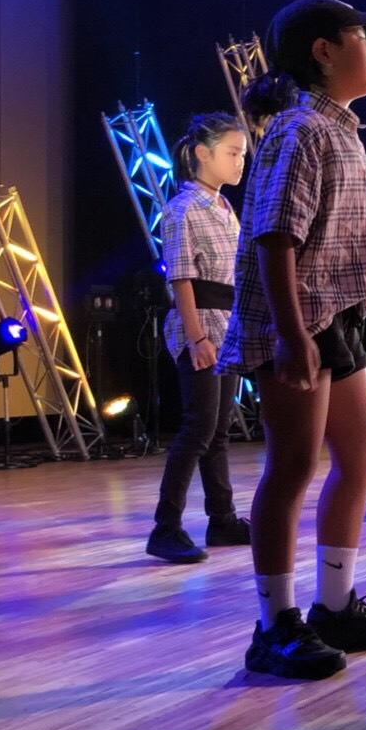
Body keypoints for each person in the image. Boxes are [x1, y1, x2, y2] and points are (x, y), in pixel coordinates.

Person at [220, 0, 366, 679]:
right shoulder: (300, 129)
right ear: (324, 52)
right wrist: (291, 332)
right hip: (298, 319)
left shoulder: (338, 129)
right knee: (293, 465)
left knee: (361, 453)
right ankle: (273, 626)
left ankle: (334, 607)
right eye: (364, 38)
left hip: (335, 317)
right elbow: (276, 237)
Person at [145, 113, 253, 564]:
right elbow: (181, 277)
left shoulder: (224, 207)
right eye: (232, 152)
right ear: (202, 154)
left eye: (242, 154)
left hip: (227, 326)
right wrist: (195, 338)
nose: (240, 161)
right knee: (199, 428)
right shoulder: (182, 209)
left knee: (218, 430)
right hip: (201, 326)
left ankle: (222, 519)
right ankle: (165, 527)